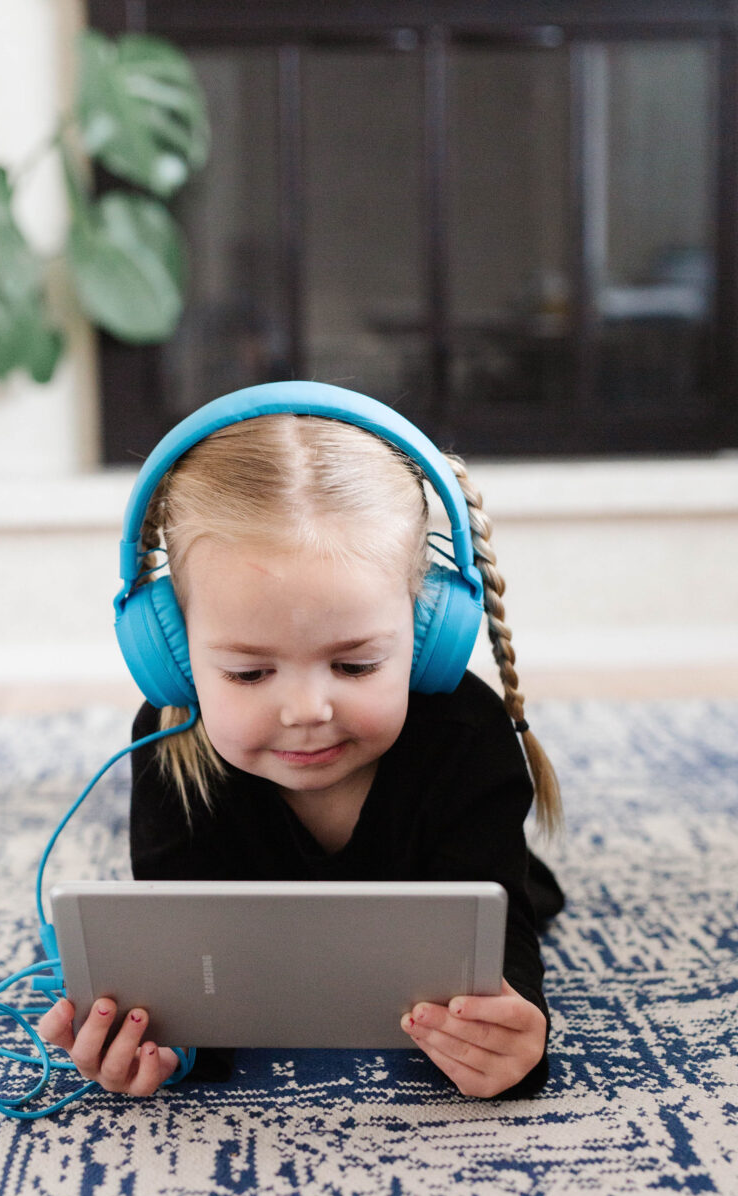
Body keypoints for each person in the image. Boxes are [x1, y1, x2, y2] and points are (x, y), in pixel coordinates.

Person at [38, 403, 564, 1099]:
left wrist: (515, 1039)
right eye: (250, 674)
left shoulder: (468, 734)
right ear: (173, 656)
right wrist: (163, 1047)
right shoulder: (172, 737)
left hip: (465, 852)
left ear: (428, 634)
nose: (307, 712)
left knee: (525, 891)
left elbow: (504, 959)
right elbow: (186, 968)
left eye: (355, 666)